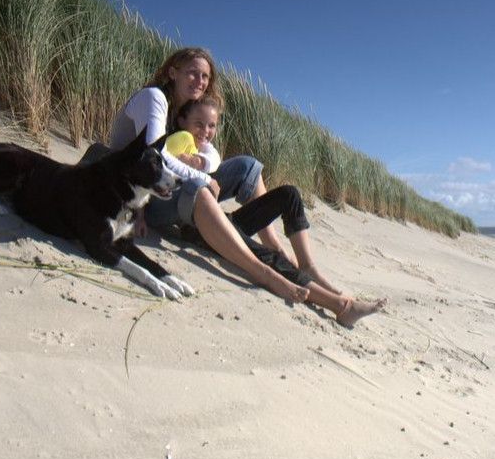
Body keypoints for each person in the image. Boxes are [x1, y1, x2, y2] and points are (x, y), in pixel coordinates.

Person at [162, 94, 384, 326]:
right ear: (181, 121)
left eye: (211, 126)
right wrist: (192, 167)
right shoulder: (176, 144)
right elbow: (168, 171)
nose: (205, 131)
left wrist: (200, 164)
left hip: (222, 218)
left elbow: (214, 162)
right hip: (200, 229)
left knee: (289, 194)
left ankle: (308, 266)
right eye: (199, 124)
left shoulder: (205, 152)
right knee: (271, 256)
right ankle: (341, 306)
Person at [109, 47, 307, 303]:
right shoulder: (154, 98)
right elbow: (154, 158)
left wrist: (201, 162)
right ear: (173, 72)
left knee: (247, 165)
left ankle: (273, 245)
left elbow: (212, 155)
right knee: (198, 184)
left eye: (205, 77)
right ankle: (262, 272)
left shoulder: (189, 112)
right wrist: (203, 178)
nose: (200, 81)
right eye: (193, 73)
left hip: (165, 188)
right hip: (137, 194)